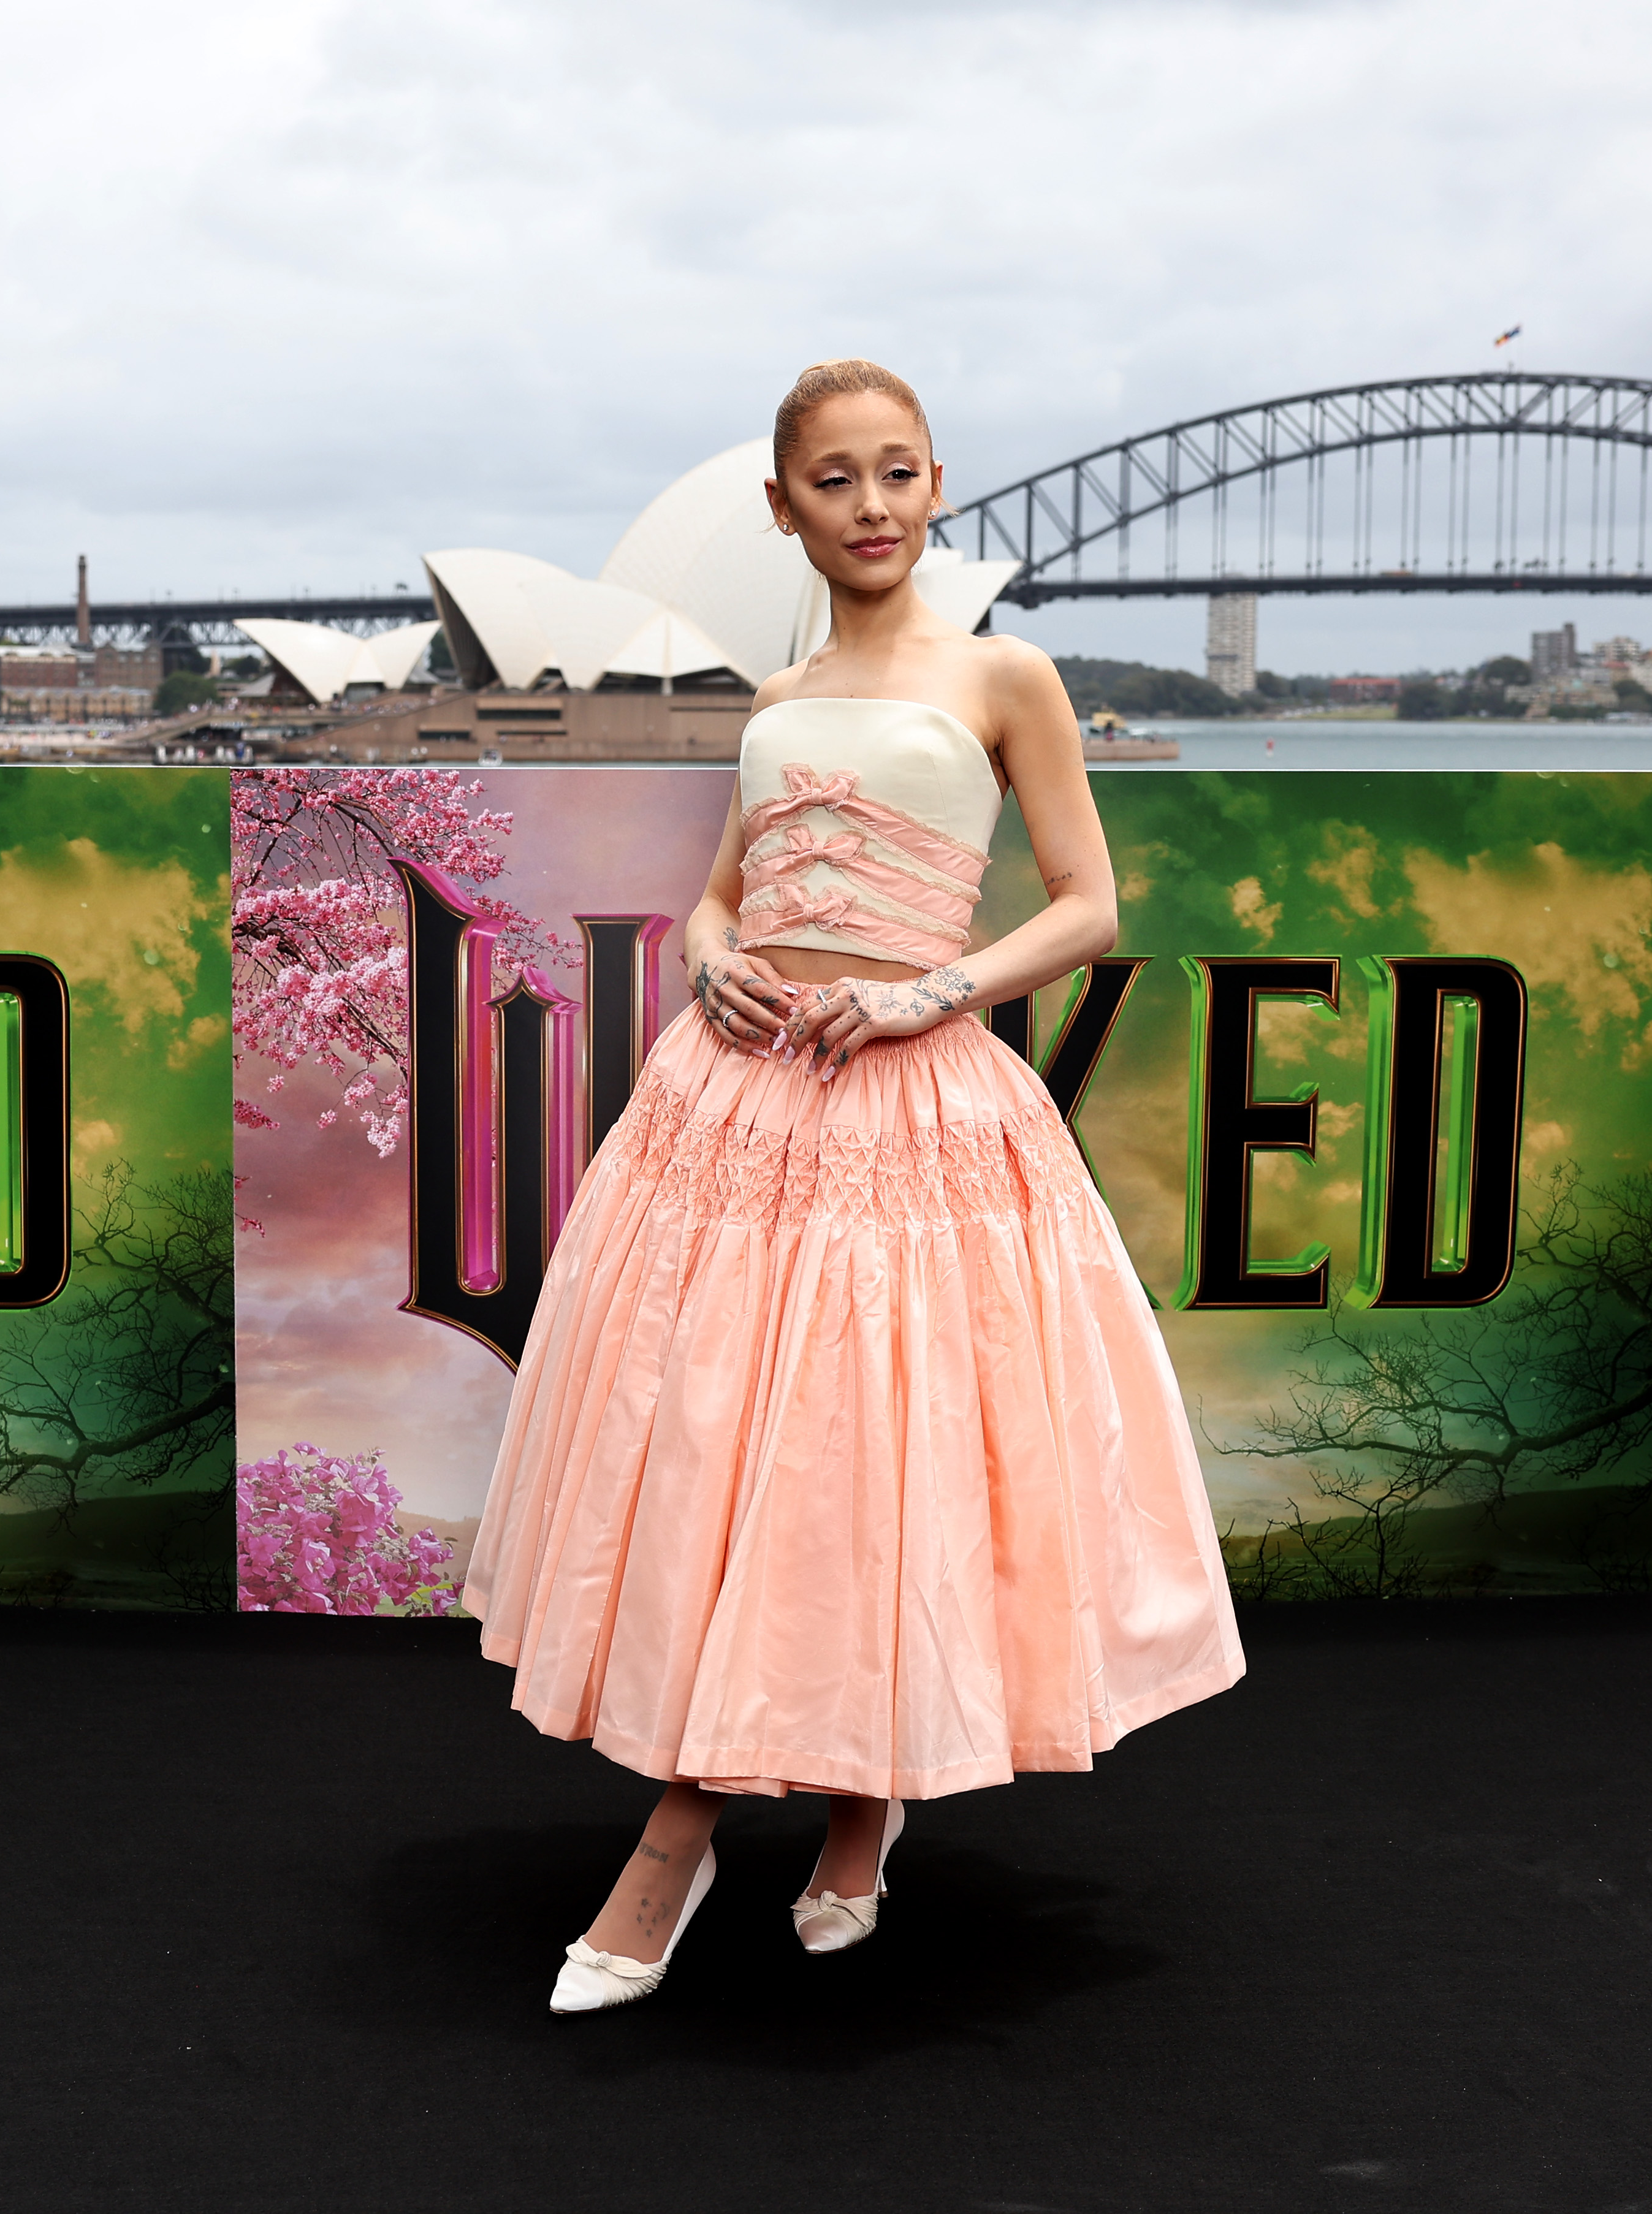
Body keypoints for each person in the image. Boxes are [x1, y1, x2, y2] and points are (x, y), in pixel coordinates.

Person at [459, 359, 1246, 2014]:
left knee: (879, 1463)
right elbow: (714, 900)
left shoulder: (1001, 673)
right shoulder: (774, 696)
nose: (872, 503)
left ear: (938, 484)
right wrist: (714, 955)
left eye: (898, 473)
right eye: (835, 478)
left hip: (912, 1107)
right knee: (733, 1470)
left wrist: (928, 992)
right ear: (782, 506)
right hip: (736, 1111)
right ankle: (791, 1822)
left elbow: (1088, 906)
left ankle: (787, 1832)